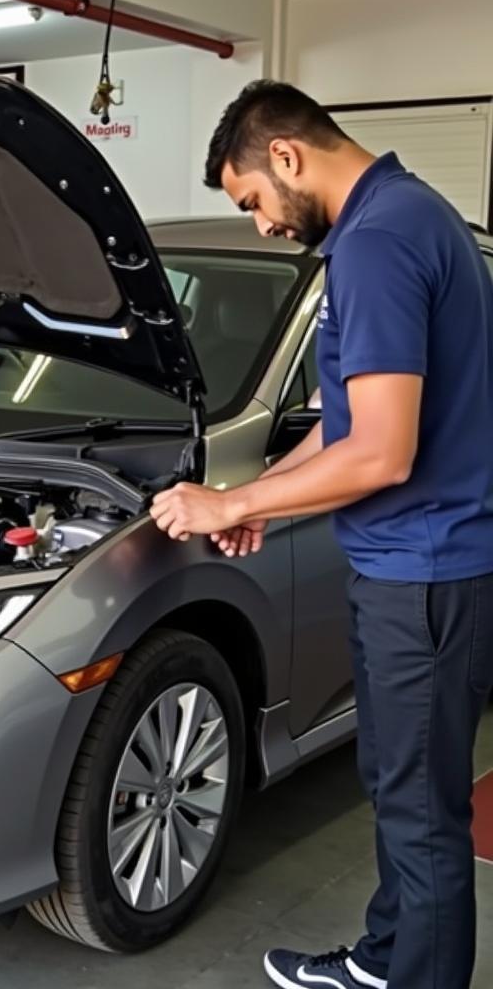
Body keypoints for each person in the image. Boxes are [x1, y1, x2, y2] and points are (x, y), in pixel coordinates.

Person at [150, 80, 493, 989]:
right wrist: (260, 496)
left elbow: (380, 453)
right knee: (400, 790)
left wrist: (225, 506)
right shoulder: (402, 219)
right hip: (411, 567)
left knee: (421, 813)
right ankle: (389, 961)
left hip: (422, 576)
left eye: (252, 199)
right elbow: (342, 422)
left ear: (288, 156)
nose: (260, 223)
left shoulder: (379, 243)